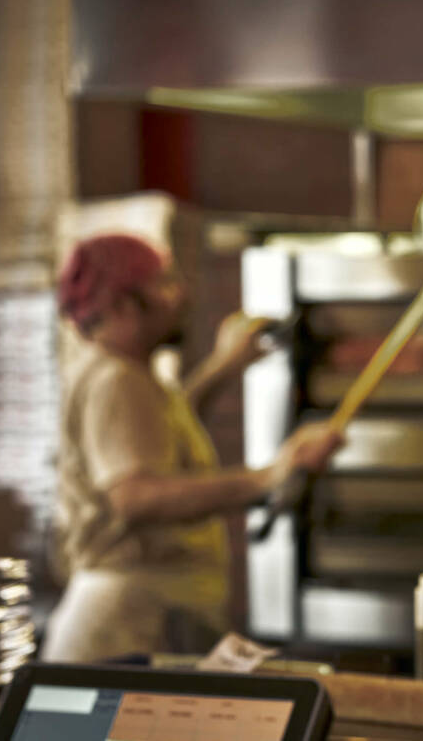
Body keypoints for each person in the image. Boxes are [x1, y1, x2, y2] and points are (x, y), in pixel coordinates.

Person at [43, 234, 343, 662]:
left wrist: (225, 366)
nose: (181, 294)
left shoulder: (123, 374)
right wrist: (271, 474)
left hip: (135, 619)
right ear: (123, 303)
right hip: (127, 630)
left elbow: (157, 439)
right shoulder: (116, 381)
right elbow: (136, 497)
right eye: (162, 283)